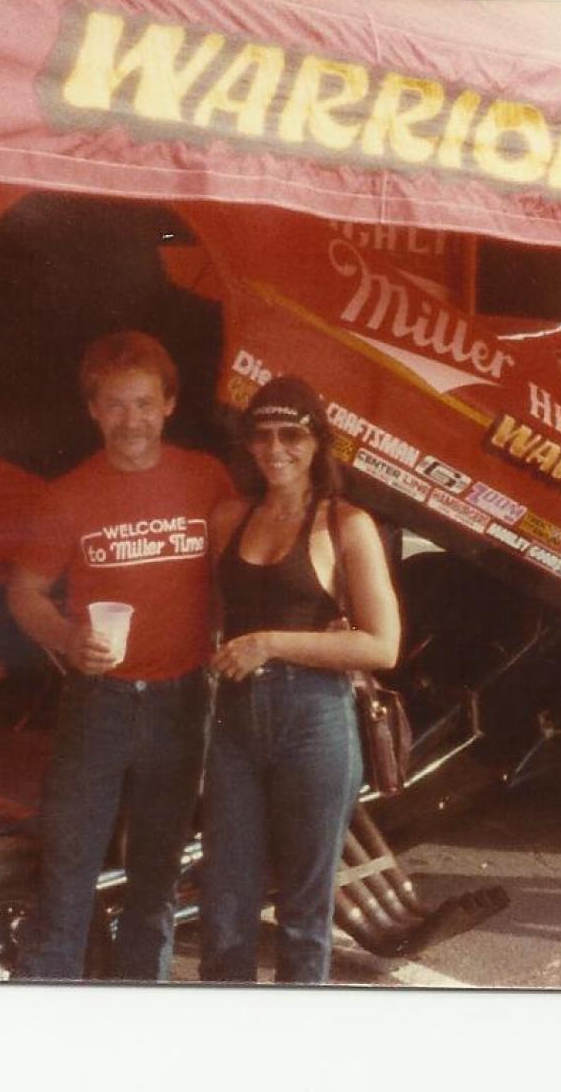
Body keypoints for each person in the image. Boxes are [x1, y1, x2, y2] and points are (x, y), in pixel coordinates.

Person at [7, 330, 233, 981]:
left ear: (169, 404)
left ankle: (140, 1006)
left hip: (182, 700)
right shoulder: (68, 495)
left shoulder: (206, 478)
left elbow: (247, 566)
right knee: (68, 870)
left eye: (143, 403)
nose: (130, 420)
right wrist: (67, 637)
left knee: (156, 878)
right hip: (99, 705)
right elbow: (24, 591)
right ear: (93, 410)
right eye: (114, 404)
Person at [199, 375, 401, 984]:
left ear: (317, 444)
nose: (276, 448)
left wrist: (271, 643)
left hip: (315, 720)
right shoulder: (228, 518)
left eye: (292, 434)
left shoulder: (346, 524)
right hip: (236, 722)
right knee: (225, 903)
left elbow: (383, 645)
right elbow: (214, 622)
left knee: (303, 911)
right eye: (262, 435)